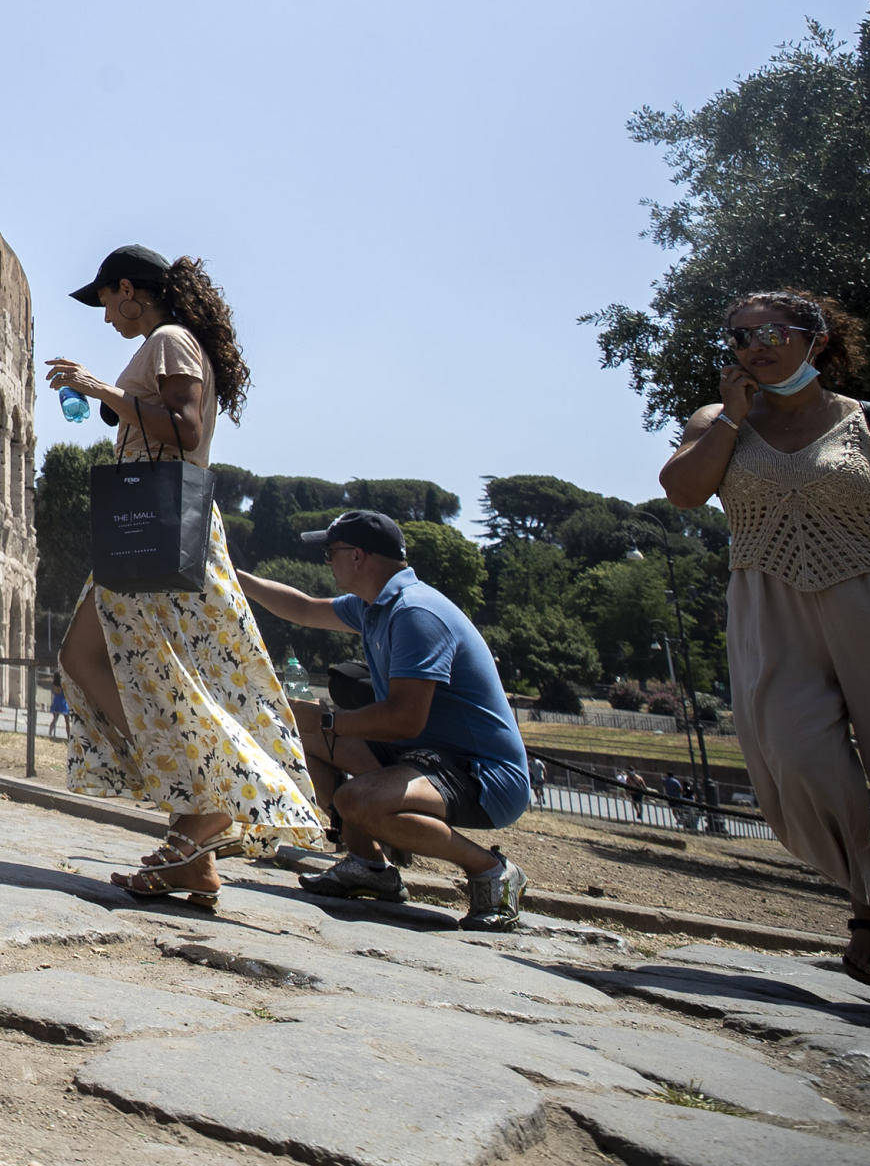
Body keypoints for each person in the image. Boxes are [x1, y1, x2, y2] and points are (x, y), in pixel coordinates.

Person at [658, 287, 870, 991]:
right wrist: (732, 419)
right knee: (797, 756)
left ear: (819, 339)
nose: (757, 344)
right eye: (742, 334)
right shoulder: (719, 422)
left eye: (775, 330)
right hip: (767, 606)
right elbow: (683, 491)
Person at [46, 244, 325, 910]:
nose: (106, 315)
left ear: (128, 289)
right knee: (152, 670)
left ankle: (209, 800)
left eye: (107, 301)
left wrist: (99, 389)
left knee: (91, 657)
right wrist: (109, 399)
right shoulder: (172, 341)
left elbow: (182, 426)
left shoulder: (170, 339)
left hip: (161, 521)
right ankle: (196, 842)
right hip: (159, 523)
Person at [237, 510, 532, 931]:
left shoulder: (416, 614)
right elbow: (302, 608)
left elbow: (403, 719)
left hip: (483, 774)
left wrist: (329, 721)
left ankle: (491, 870)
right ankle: (369, 867)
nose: (327, 561)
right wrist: (231, 575)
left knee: (356, 798)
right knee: (300, 738)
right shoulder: (375, 606)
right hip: (427, 757)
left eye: (330, 552)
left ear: (358, 556)